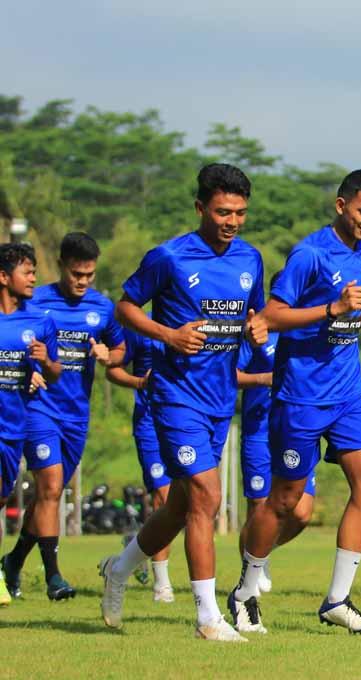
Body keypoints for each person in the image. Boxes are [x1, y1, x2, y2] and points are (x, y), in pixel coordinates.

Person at [229, 169, 361, 635]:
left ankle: (337, 600)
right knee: (285, 501)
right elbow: (274, 315)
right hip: (301, 395)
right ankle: (245, 590)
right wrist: (335, 309)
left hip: (348, 393)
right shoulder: (308, 254)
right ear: (341, 204)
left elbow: (343, 313)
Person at [99, 163, 268, 642]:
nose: (231, 220)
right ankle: (208, 618)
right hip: (175, 398)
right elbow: (125, 307)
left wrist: (258, 326)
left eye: (239, 212)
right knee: (208, 498)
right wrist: (167, 334)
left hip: (219, 399)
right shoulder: (169, 257)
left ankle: (118, 569)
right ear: (200, 208)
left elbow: (255, 313)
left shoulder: (250, 259)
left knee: (179, 506)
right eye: (221, 211)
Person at [3, 233, 124, 602]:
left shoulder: (102, 308)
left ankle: (13, 561)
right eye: (76, 274)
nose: (83, 281)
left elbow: (120, 350)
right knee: (51, 487)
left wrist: (108, 356)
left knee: (46, 498)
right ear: (61, 267)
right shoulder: (35, 302)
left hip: (76, 415)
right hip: (39, 409)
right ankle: (54, 576)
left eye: (89, 274)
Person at [234, 301, 316, 602]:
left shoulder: (311, 332)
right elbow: (230, 375)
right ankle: (248, 577)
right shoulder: (258, 332)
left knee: (303, 513)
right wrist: (264, 379)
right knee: (258, 508)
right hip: (260, 433)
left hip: (298, 430)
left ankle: (262, 550)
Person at [0, 243, 61, 608]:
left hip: (14, 425)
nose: (34, 277)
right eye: (27, 271)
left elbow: (53, 374)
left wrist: (44, 362)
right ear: (4, 277)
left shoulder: (39, 321)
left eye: (35, 270)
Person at [105, 330, 174, 602]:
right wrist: (138, 382)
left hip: (186, 422)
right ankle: (162, 583)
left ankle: (131, 551)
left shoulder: (194, 318)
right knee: (163, 496)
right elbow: (113, 370)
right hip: (150, 426)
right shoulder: (140, 329)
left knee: (190, 502)